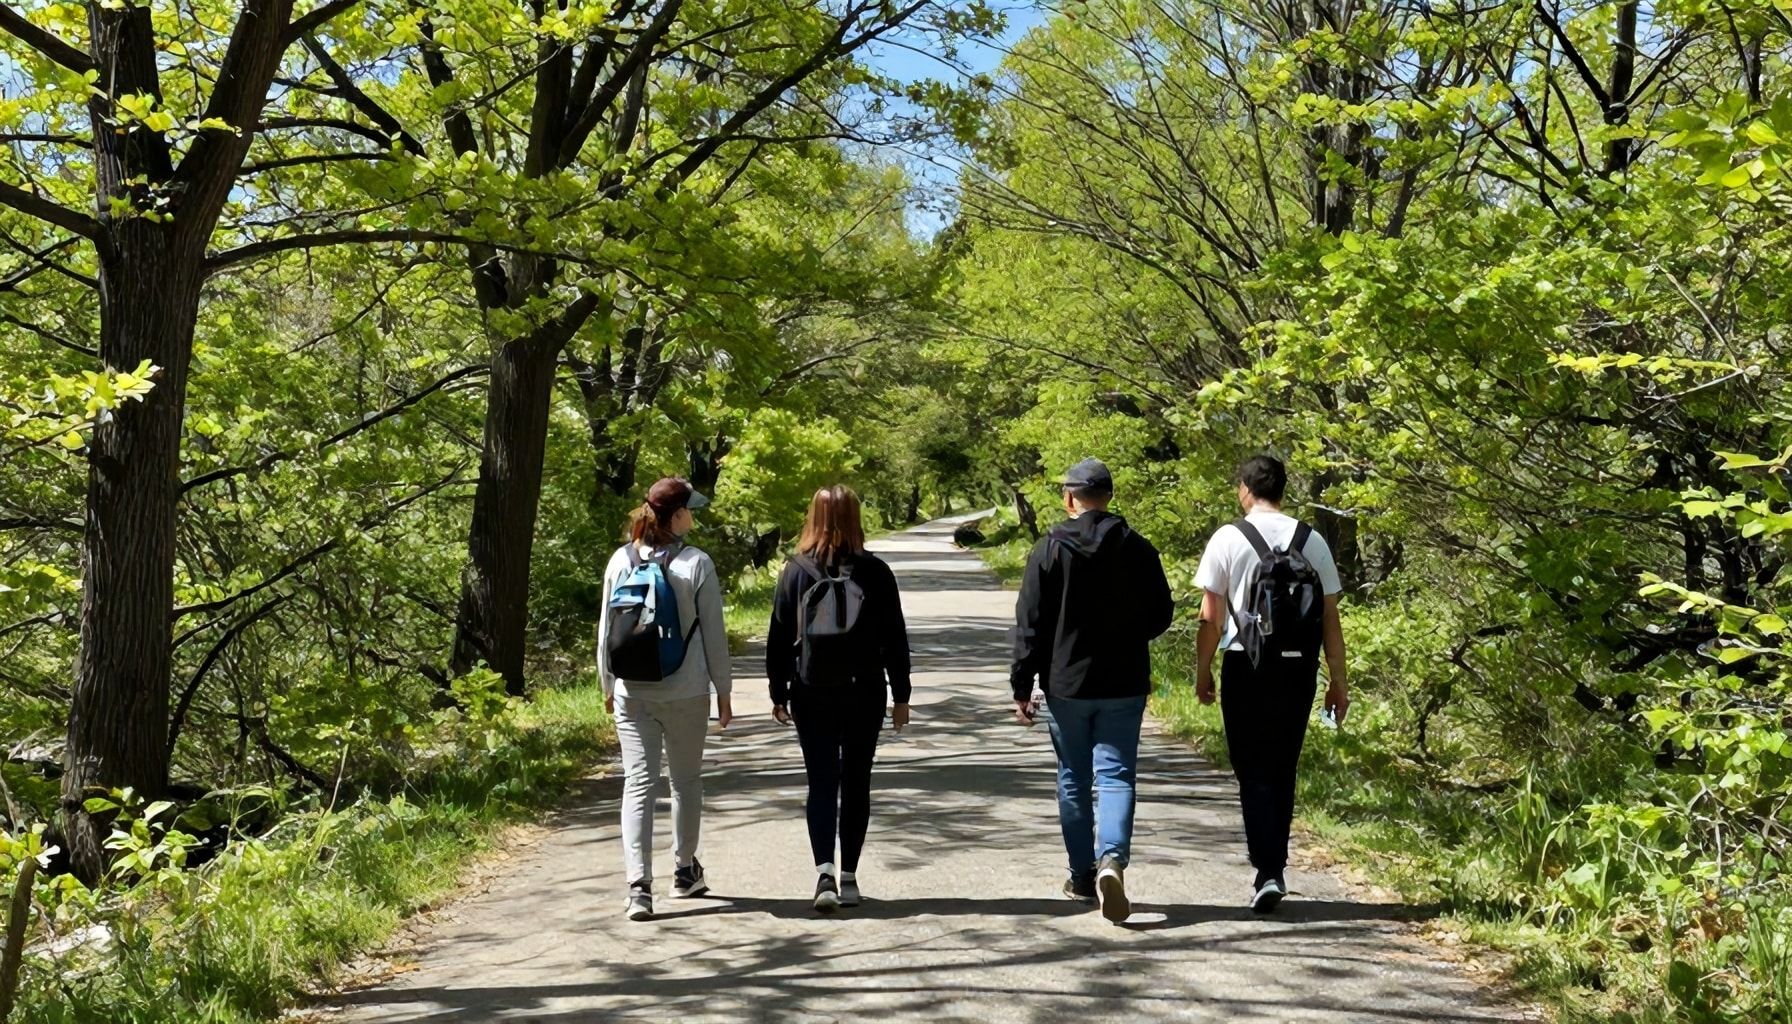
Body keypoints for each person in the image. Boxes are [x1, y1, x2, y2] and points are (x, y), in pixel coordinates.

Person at [1010, 458, 1175, 924]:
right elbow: (1161, 614)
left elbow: (1030, 624)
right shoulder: (1138, 548)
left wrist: (1022, 685)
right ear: (1109, 496)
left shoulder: (1049, 549)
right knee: (1117, 775)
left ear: (1069, 498)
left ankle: (1082, 874)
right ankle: (1113, 861)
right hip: (1124, 681)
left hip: (1066, 684)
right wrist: (1126, 632)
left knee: (1073, 779)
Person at [1194, 454, 1350, 914]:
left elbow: (1210, 615)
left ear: (1245, 488)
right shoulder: (1312, 540)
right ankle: (1272, 869)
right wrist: (1337, 681)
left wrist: (1203, 671)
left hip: (1246, 665)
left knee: (1251, 768)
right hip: (1298, 668)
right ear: (1283, 489)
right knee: (1283, 765)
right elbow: (1331, 620)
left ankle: (1266, 868)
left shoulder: (1229, 537)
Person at [768, 485, 913, 914]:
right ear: (856, 517)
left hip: (811, 690)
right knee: (856, 782)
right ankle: (850, 877)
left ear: (813, 517)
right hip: (865, 689)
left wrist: (778, 692)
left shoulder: (794, 570)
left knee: (821, 782)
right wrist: (901, 695)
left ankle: (824, 873)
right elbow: (895, 638)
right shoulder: (876, 571)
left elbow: (779, 638)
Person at [597, 477, 734, 922]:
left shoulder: (620, 560)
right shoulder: (696, 563)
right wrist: (724, 691)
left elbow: (605, 632)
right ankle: (684, 871)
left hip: (631, 692)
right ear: (674, 517)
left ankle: (639, 887)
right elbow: (714, 634)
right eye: (689, 510)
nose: (694, 516)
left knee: (638, 783)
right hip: (686, 689)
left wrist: (607, 685)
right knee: (685, 782)